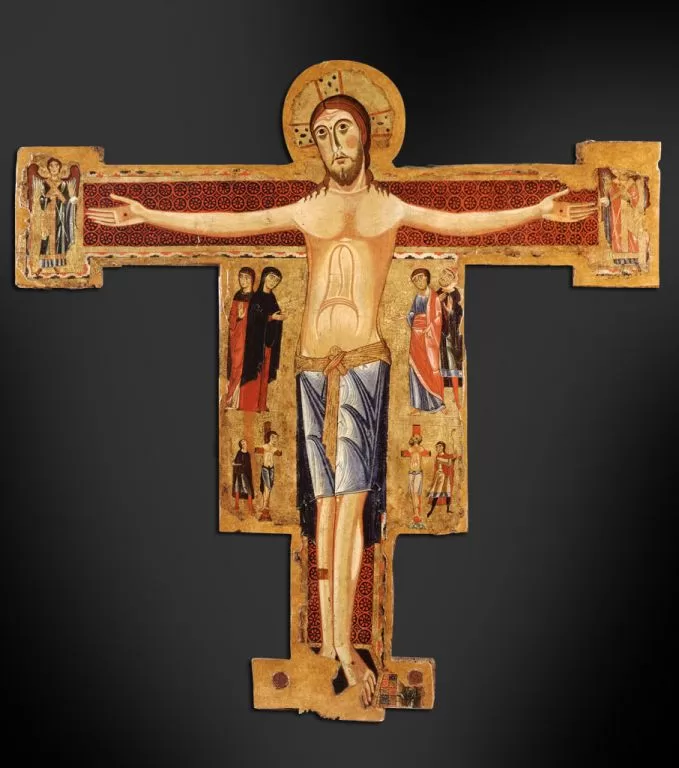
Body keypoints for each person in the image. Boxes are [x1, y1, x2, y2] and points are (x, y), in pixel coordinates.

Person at [87, 92, 597, 708]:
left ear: (366, 135)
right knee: (323, 508)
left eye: (344, 129)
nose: (334, 144)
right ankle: (333, 644)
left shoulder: (390, 207)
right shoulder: (306, 208)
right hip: (309, 370)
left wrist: (536, 210)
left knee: (351, 508)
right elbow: (225, 223)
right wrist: (147, 214)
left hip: (362, 365)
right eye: (323, 133)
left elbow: (462, 223)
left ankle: (346, 648)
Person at [239, 266, 284, 412]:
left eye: (276, 280)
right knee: (255, 373)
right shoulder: (256, 297)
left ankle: (261, 404)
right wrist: (271, 317)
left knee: (265, 373)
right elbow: (254, 319)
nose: (273, 282)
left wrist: (278, 318)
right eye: (271, 277)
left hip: (268, 343)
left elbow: (274, 315)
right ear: (264, 277)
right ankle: (249, 405)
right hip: (256, 343)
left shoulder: (272, 298)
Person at [407, 267, 445, 414]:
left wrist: (429, 327)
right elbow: (412, 313)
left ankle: (437, 403)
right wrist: (411, 317)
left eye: (420, 277)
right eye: (415, 280)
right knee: (415, 368)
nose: (419, 281)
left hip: (429, 338)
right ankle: (418, 404)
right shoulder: (417, 297)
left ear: (427, 278)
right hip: (416, 339)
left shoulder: (434, 297)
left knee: (431, 368)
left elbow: (438, 317)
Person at [225, 267, 255, 408]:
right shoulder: (237, 296)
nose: (243, 280)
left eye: (246, 278)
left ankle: (242, 401)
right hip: (238, 338)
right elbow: (231, 319)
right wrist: (238, 317)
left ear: (252, 280)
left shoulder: (255, 298)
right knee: (236, 365)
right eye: (241, 277)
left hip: (250, 339)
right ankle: (231, 397)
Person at [437, 267, 464, 411]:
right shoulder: (437, 293)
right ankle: (441, 400)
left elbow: (459, 313)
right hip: (438, 334)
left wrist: (450, 312)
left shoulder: (455, 294)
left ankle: (457, 400)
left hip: (451, 335)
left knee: (453, 366)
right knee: (439, 367)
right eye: (443, 274)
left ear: (452, 279)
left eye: (448, 276)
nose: (444, 277)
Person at [426, 442, 458, 516]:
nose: (437, 448)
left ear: (443, 447)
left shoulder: (446, 455)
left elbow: (453, 459)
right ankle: (431, 510)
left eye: (439, 446)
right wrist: (449, 460)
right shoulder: (438, 457)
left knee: (448, 492)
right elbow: (448, 463)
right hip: (440, 476)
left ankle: (448, 509)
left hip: (446, 476)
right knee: (437, 493)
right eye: (437, 447)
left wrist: (451, 458)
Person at [258, 430, 281, 513]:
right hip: (265, 468)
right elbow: (257, 450)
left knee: (269, 487)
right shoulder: (265, 446)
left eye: (276, 438)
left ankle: (265, 506)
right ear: (270, 438)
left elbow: (279, 453)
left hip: (271, 469)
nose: (275, 439)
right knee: (267, 487)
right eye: (273, 437)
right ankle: (264, 506)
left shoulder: (274, 448)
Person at [232, 439, 254, 514]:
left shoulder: (248, 454)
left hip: (245, 474)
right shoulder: (239, 453)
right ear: (241, 445)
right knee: (237, 488)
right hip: (239, 473)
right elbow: (236, 462)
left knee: (248, 489)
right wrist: (235, 464)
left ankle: (250, 507)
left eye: (245, 443)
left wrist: (236, 464)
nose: (245, 444)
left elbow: (247, 465)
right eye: (243, 443)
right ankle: (236, 505)